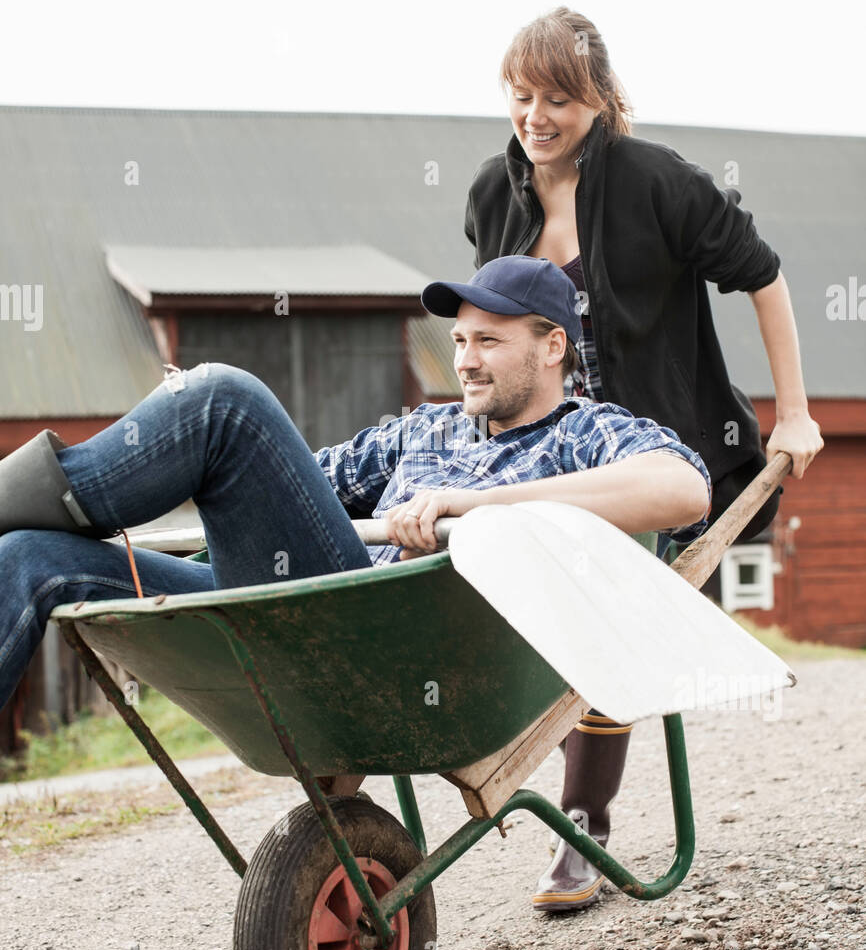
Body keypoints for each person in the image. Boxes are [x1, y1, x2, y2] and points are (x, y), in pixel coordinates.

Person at [0, 257, 711, 719]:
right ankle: (39, 506)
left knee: (223, 398)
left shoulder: (583, 434)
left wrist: (473, 506)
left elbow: (683, 491)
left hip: (391, 658)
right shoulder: (424, 430)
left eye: (488, 342)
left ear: (553, 346)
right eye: (459, 341)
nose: (465, 361)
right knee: (31, 555)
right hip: (300, 613)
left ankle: (40, 489)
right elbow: (283, 481)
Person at [464, 7, 824, 912]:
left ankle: (583, 823)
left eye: (559, 98)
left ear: (598, 98)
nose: (537, 116)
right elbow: (491, 326)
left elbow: (764, 274)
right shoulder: (490, 197)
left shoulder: (658, 183)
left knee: (608, 607)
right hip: (544, 461)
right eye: (522, 97)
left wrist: (797, 414)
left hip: (659, 462)